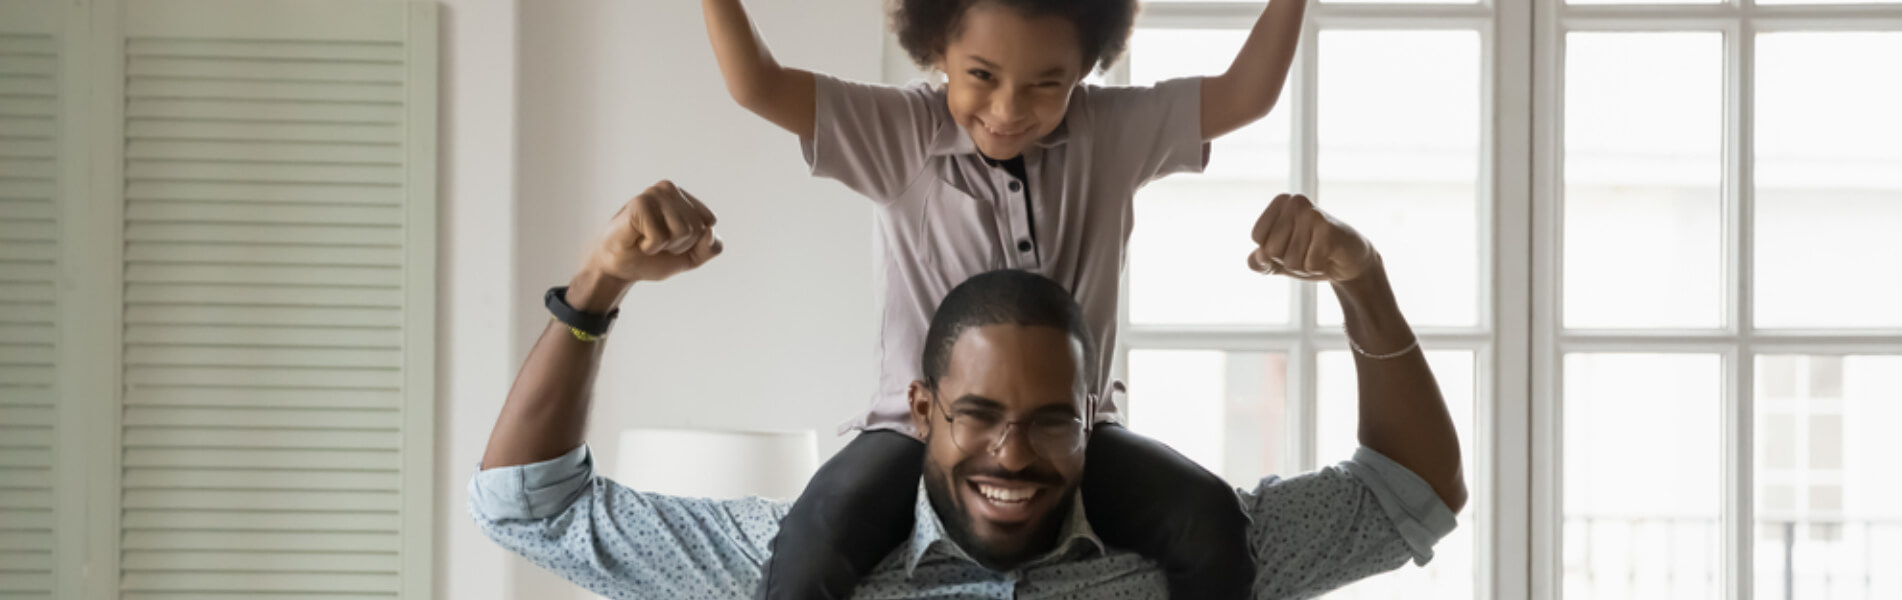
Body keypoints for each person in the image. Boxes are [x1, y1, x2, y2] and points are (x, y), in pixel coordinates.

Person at [469, 181, 1468, 599]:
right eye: (979, 417)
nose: (1012, 455)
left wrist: (1361, 281)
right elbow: (529, 508)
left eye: (1047, 422)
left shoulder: (1179, 557)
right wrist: (595, 289)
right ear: (921, 413)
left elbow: (1410, 492)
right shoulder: (802, 562)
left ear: (1094, 417)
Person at [700, 0, 1312, 595]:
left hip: (1075, 433)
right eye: (982, 76)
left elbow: (1244, 94)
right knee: (813, 540)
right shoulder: (900, 134)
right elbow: (757, 83)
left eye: (1049, 82)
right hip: (914, 437)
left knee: (1211, 520)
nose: (1009, 109)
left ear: (1087, 65)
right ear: (937, 48)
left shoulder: (1113, 132)